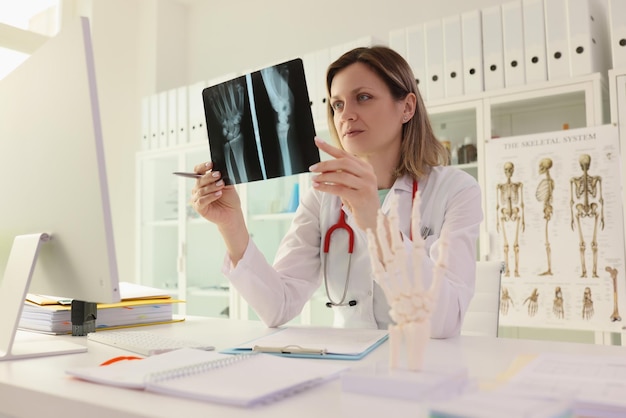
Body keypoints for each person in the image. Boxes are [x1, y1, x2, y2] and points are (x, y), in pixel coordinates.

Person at [191, 46, 482, 338]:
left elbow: (444, 322)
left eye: (363, 98)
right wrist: (231, 225)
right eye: (338, 104)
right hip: (347, 362)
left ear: (406, 107)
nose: (346, 115)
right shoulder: (323, 195)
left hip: (425, 367)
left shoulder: (456, 190)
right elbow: (277, 306)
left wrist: (373, 219)